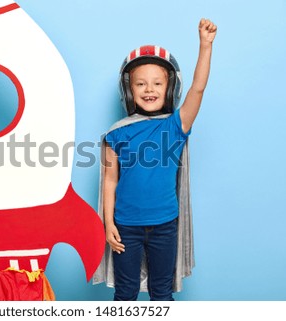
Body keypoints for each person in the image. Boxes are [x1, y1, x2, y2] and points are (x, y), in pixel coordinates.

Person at [98, 19, 217, 301]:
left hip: (165, 225)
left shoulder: (176, 126)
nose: (148, 89)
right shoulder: (116, 133)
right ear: (129, 90)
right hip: (126, 225)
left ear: (169, 87)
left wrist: (205, 46)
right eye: (140, 84)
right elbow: (109, 180)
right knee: (125, 293)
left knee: (161, 293)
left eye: (157, 83)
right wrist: (108, 223)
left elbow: (197, 90)